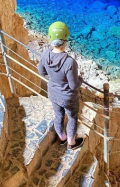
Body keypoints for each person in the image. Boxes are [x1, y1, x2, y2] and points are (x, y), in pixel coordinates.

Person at [38, 21, 84, 150]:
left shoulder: (45, 54)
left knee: (58, 116)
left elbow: (41, 72)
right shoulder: (70, 62)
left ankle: (62, 138)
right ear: (66, 40)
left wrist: (54, 78)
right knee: (72, 117)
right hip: (68, 97)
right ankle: (71, 143)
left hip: (53, 93)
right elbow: (74, 86)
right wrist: (80, 79)